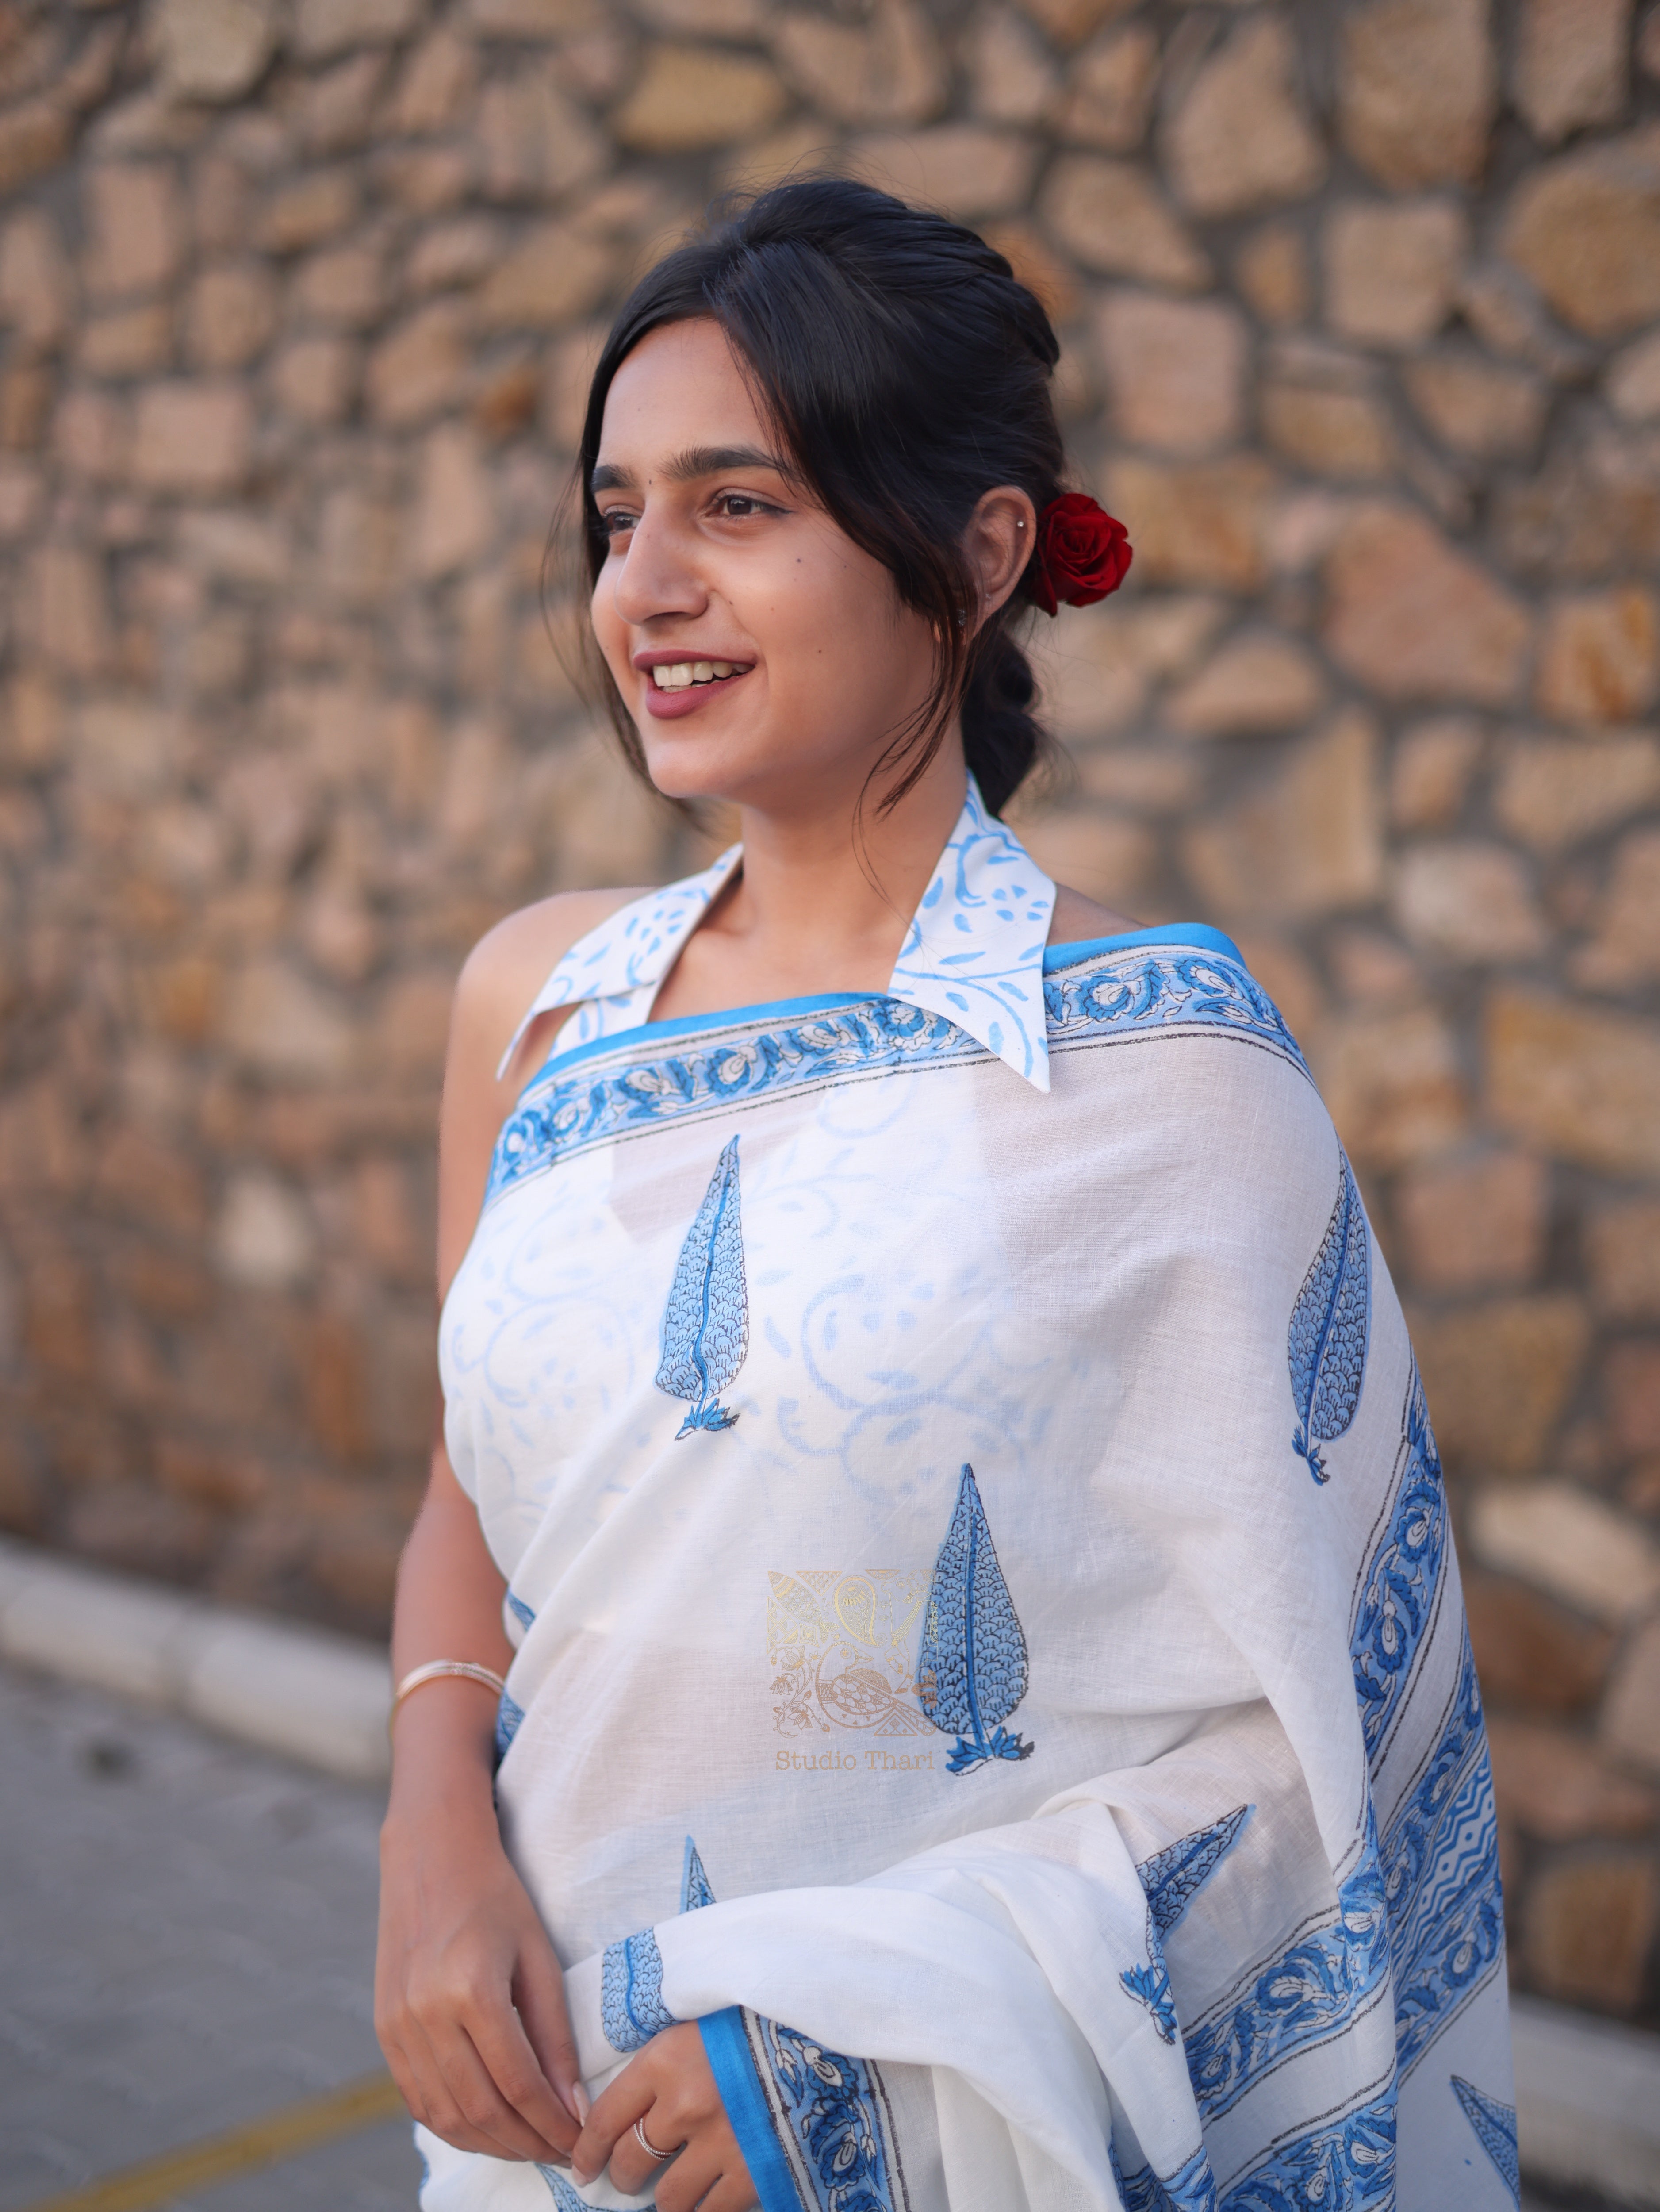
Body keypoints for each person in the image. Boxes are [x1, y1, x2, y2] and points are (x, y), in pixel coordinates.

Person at [375, 178, 1515, 2212]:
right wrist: (427, 1844)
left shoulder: (1161, 1077)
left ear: (982, 555)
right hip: (552, 2110)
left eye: (739, 505)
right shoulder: (538, 1011)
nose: (647, 584)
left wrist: (860, 2045)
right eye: (618, 515)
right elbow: (474, 1490)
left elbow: (1324, 1735)